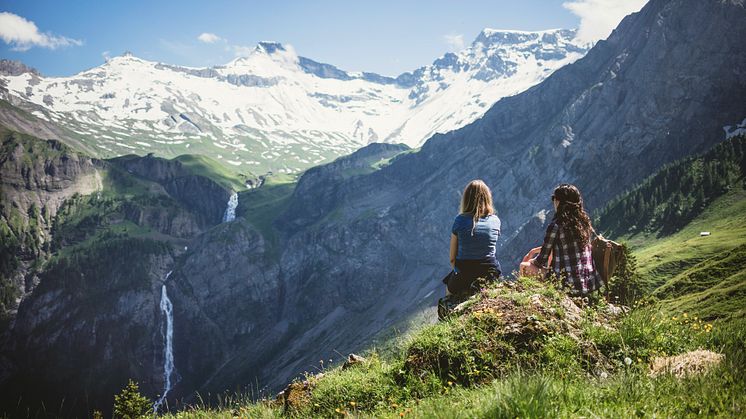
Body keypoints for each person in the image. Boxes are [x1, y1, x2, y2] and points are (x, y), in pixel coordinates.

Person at [523, 183, 603, 294]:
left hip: (566, 284)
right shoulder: (583, 222)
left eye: (554, 199)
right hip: (589, 283)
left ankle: (530, 296)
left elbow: (542, 259)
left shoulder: (556, 226)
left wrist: (532, 261)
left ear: (559, 201)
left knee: (525, 266)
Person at [445, 179, 502, 295]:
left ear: (466, 199)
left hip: (465, 271)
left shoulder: (460, 220)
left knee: (448, 292)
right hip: (491, 271)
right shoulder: (495, 221)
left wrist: (460, 272)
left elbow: (452, 258)